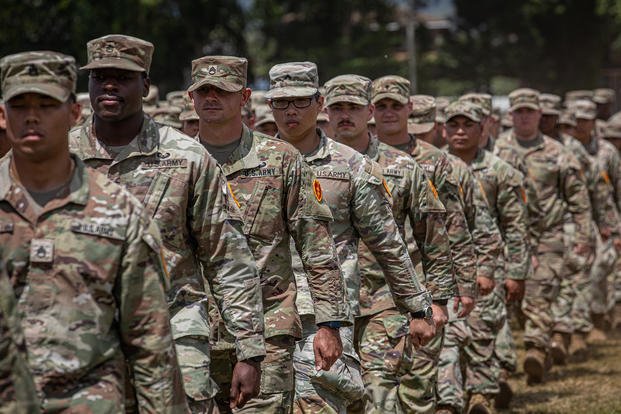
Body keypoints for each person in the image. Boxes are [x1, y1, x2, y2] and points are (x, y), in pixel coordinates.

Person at [69, 36, 266, 413]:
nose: (109, 85)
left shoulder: (187, 158)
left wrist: (250, 348)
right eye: (99, 77)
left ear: (144, 85)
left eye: (122, 77)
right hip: (83, 333)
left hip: (173, 328)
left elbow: (226, 256)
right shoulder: (59, 158)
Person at [0, 50, 187, 412]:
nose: (33, 117)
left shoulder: (118, 210)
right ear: (3, 115)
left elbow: (150, 342)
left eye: (47, 104)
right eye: (20, 106)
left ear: (73, 113)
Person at [190, 55, 350, 414]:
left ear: (245, 97)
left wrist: (329, 323)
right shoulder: (177, 161)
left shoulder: (280, 160)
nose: (212, 98)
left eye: (223, 90)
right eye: (204, 91)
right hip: (194, 330)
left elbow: (316, 246)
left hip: (268, 328)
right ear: (191, 98)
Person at [324, 74, 454, 413]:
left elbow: (434, 239)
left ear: (368, 111)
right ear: (325, 112)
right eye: (337, 108)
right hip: (327, 302)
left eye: (352, 107)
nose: (344, 115)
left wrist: (435, 303)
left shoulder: (402, 167)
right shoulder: (309, 165)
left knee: (379, 392)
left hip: (386, 301)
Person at [372, 77, 477, 412]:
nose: (389, 113)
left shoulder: (433, 161)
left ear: (410, 108)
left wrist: (459, 288)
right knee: (378, 389)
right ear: (372, 110)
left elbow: (452, 228)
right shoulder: (355, 157)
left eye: (396, 106)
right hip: (371, 290)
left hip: (421, 284)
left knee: (417, 384)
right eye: (382, 106)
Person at [495, 88, 593, 384]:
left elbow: (578, 197)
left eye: (529, 111)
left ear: (540, 115)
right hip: (506, 239)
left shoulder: (558, 154)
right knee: (506, 302)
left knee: (540, 294)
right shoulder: (497, 150)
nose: (524, 117)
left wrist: (583, 235)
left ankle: (536, 348)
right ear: (510, 115)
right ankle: (503, 361)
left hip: (547, 238)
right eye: (519, 112)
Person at [445, 99, 530, 413]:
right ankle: (453, 392)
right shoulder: (431, 165)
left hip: (488, 261)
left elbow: (516, 226)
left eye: (468, 125)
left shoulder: (500, 171)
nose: (461, 131)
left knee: (482, 328)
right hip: (442, 263)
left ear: (483, 130)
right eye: (453, 125)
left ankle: (481, 394)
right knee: (448, 333)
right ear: (443, 129)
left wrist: (516, 272)